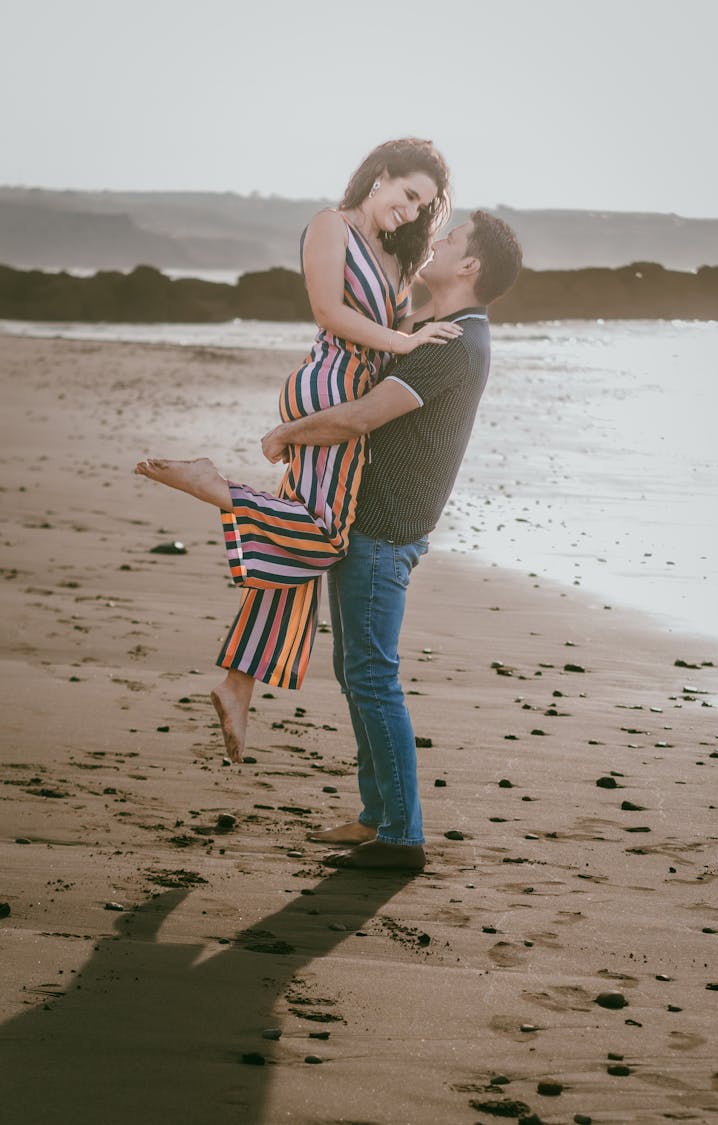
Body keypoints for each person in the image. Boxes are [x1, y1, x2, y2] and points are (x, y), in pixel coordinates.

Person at [135, 138, 459, 763]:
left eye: (425, 206)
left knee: (299, 552)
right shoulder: (328, 225)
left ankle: (237, 684)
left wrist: (422, 330)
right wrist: (404, 343)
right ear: (380, 177)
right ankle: (215, 486)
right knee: (326, 535)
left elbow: (410, 320)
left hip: (353, 401)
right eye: (409, 194)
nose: (414, 211)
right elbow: (327, 311)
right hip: (327, 388)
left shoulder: (393, 257)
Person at [260, 210, 523, 870]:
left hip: (383, 531)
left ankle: (402, 836)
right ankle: (377, 815)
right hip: (370, 523)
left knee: (373, 678)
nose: (434, 243)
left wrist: (286, 434)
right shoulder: (437, 331)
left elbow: (360, 417)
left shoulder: (452, 343)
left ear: (469, 266)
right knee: (357, 671)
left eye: (450, 237)